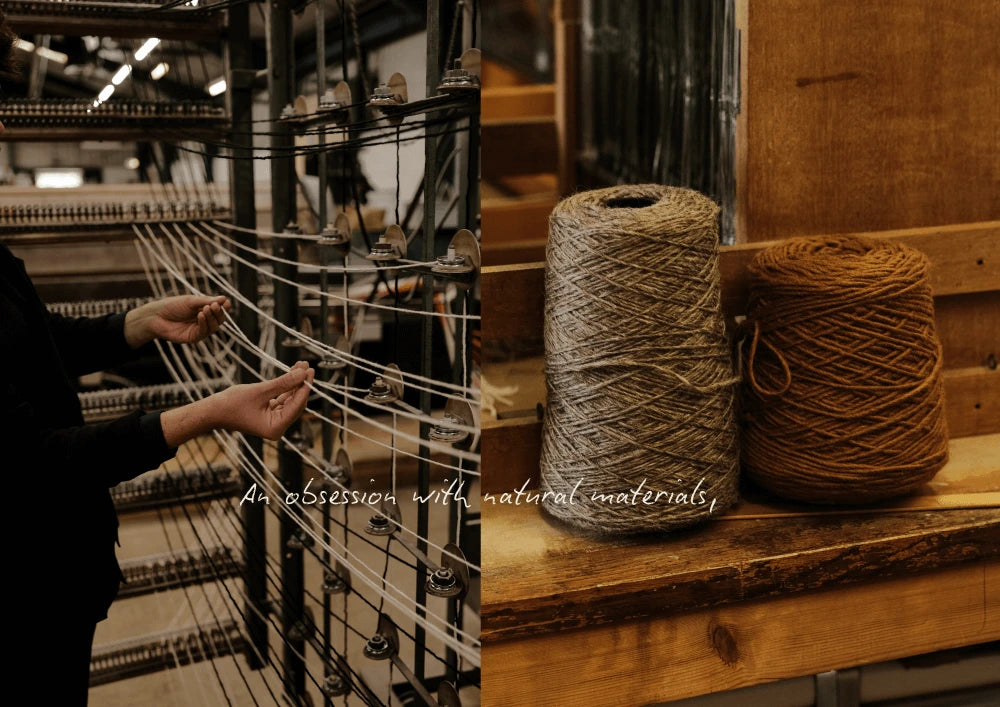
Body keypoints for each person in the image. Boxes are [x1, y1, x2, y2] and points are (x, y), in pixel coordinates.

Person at [1, 11, 314, 704]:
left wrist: (134, 324)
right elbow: (29, 462)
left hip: (52, 574)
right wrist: (210, 413)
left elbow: (24, 339)